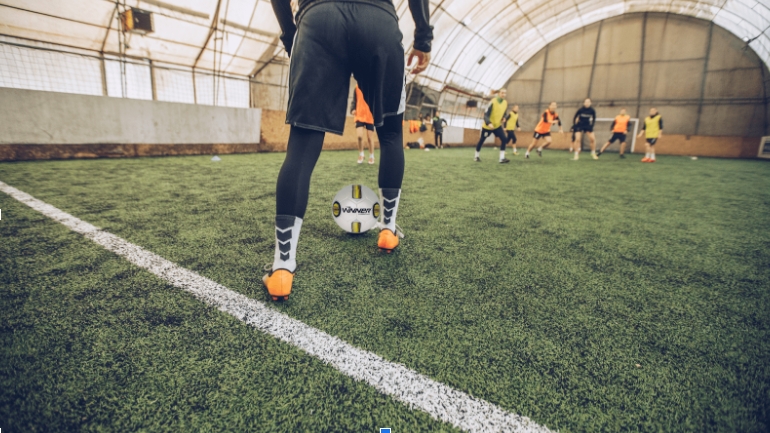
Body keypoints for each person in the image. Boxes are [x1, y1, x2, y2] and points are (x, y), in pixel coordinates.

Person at [266, 0, 432, 301]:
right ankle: (388, 230)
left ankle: (282, 267)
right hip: (378, 20)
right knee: (391, 134)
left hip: (318, 19)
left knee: (303, 141)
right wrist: (423, 38)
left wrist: (292, 34)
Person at [474, 88, 510, 163]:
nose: (504, 94)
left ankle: (501, 158)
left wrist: (504, 118)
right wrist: (488, 123)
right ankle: (476, 156)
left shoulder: (505, 103)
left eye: (505, 93)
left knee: (504, 139)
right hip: (488, 126)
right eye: (502, 93)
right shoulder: (492, 102)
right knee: (482, 140)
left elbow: (505, 114)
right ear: (498, 93)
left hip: (497, 126)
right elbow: (486, 115)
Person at [350, 85, 375, 164]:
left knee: (370, 137)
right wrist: (353, 109)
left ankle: (371, 156)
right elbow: (354, 100)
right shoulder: (356, 87)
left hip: (370, 115)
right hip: (359, 115)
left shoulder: (372, 87)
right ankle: (361, 154)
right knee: (359, 136)